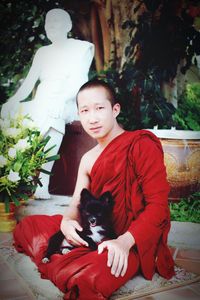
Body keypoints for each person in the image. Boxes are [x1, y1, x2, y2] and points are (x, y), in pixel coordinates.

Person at [13, 79, 175, 300]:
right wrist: (67, 223)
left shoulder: (140, 144)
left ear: (115, 109)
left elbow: (158, 207)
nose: (92, 118)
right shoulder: (88, 159)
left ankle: (68, 260)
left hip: (131, 239)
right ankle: (70, 255)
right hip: (94, 231)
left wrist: (124, 242)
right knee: (28, 225)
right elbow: (75, 205)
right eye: (85, 111)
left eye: (99, 108)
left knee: (86, 280)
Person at [1, 8, 94, 199]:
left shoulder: (81, 48)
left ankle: (42, 182)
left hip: (67, 99)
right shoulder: (43, 52)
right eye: (48, 23)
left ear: (68, 25)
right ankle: (14, 173)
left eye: (57, 22)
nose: (51, 26)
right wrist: (12, 100)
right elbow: (29, 82)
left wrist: (62, 99)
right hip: (41, 99)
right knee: (11, 112)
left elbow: (79, 81)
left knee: (54, 113)